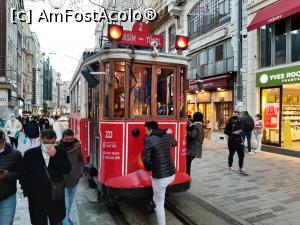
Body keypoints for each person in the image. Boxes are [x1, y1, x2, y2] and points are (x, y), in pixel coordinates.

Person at [21, 129, 71, 225]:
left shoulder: (60, 152)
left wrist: (55, 156)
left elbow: (67, 169)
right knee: (38, 221)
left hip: (55, 197)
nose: (48, 145)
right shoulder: (30, 154)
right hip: (37, 198)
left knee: (57, 221)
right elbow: (23, 175)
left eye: (52, 142)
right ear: (40, 140)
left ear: (55, 141)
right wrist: (28, 191)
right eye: (46, 142)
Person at [142, 121, 176, 225]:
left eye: (146, 130)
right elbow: (175, 143)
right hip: (172, 174)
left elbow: (146, 160)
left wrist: (151, 169)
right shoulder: (167, 136)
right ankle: (154, 200)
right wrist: (170, 134)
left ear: (150, 130)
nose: (145, 133)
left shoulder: (149, 139)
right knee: (158, 195)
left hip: (160, 178)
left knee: (159, 204)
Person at [56, 129, 84, 225]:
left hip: (74, 181)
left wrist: (80, 173)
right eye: (67, 139)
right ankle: (66, 222)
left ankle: (66, 219)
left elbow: (81, 161)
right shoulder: (57, 149)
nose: (69, 141)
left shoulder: (77, 147)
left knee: (70, 204)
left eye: (71, 139)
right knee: (65, 205)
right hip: (62, 183)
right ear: (62, 138)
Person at [0, 129, 22, 225]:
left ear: (4, 140)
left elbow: (22, 174)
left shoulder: (15, 154)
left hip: (7, 196)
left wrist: (8, 175)